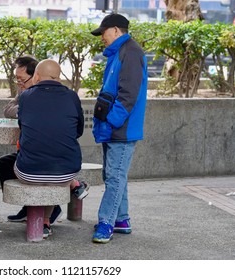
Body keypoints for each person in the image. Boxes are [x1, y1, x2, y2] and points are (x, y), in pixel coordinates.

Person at [90, 14, 148, 243]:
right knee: (114, 175)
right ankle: (121, 219)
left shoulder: (130, 53)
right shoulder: (121, 52)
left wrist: (112, 121)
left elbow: (128, 95)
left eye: (103, 32)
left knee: (114, 176)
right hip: (115, 127)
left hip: (120, 129)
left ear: (115, 30)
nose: (101, 37)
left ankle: (106, 222)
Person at [14, 59, 88, 238]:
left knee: (27, 163)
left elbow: (22, 125)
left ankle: (39, 219)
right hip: (66, 173)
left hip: (28, 173)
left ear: (36, 76)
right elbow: (78, 130)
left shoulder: (25, 97)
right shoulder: (72, 97)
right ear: (59, 77)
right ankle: (46, 220)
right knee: (53, 168)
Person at [0, 55, 67, 224]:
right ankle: (29, 206)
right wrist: (26, 109)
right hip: (32, 153)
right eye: (17, 80)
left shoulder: (54, 96)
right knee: (4, 163)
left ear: (36, 76)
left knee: (24, 166)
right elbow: (8, 110)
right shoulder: (25, 93)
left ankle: (48, 208)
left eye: (22, 80)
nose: (19, 84)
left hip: (52, 157)